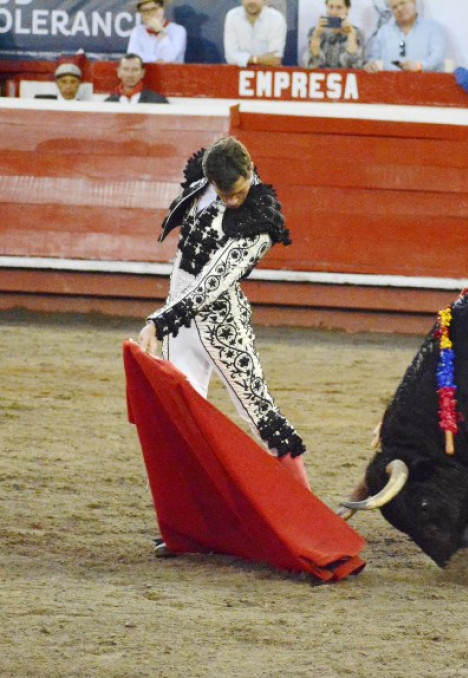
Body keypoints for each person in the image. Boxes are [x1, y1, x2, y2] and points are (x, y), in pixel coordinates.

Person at [136, 137, 310, 512]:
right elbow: (184, 265)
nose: (234, 201)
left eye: (239, 192)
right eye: (225, 193)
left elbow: (209, 285)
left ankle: (305, 514)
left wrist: (159, 322)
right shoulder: (204, 178)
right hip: (180, 320)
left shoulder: (260, 219)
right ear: (210, 180)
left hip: (221, 325)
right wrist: (167, 317)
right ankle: (195, 519)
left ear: (251, 173)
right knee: (181, 422)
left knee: (261, 415)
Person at [365, 0, 447, 73]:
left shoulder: (433, 28)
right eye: (394, 7)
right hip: (391, 85)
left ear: (413, 2)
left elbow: (437, 57)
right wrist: (370, 65)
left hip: (425, 83)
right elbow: (374, 58)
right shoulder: (384, 32)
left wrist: (419, 66)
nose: (399, 9)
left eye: (402, 3)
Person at [302, 0, 365, 69]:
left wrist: (351, 36)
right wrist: (316, 36)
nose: (334, 12)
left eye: (339, 7)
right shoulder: (315, 31)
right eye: (331, 7)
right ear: (326, 8)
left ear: (347, 9)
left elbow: (356, 66)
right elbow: (309, 65)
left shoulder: (356, 33)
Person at [224, 0, 287, 67]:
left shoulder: (276, 18)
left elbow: (275, 60)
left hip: (268, 74)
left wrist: (243, 59)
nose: (252, 1)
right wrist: (257, 59)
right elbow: (230, 57)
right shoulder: (232, 16)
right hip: (238, 74)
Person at [105, 53, 170, 103]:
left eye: (135, 70)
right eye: (126, 69)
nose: (130, 75)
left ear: (142, 73)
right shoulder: (108, 103)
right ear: (118, 72)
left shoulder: (158, 101)